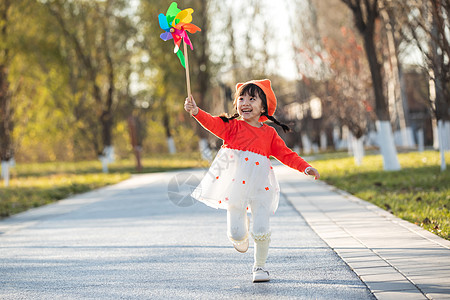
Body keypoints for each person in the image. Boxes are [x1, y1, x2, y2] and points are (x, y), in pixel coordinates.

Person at [184, 79, 320, 283]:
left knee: (261, 228)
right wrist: (196, 112)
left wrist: (305, 167)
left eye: (252, 98)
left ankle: (260, 266)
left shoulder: (269, 133)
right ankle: (240, 232)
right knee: (237, 233)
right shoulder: (231, 127)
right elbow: (211, 122)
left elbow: (286, 154)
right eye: (241, 98)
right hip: (234, 187)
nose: (245, 103)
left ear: (263, 107)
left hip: (260, 186)